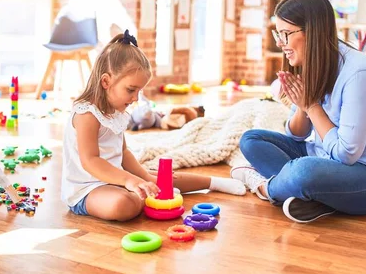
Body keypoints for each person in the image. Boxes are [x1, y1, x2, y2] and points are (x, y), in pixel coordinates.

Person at [231, 0, 366, 223]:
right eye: (278, 33)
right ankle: (314, 197)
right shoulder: (313, 61)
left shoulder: (359, 73)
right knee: (251, 140)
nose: (279, 43)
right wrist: (302, 106)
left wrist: (312, 105)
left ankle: (268, 188)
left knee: (303, 172)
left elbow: (346, 154)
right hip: (325, 159)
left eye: (285, 34)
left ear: (313, 33)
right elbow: (296, 135)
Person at [61, 30, 245, 221]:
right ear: (106, 81)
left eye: (139, 91)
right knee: (122, 205)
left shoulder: (115, 110)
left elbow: (123, 153)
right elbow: (91, 161)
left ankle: (215, 183)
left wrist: (144, 178)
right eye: (131, 90)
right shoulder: (87, 114)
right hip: (87, 189)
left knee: (162, 180)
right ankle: (155, 196)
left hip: (117, 180)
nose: (135, 98)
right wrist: (130, 180)